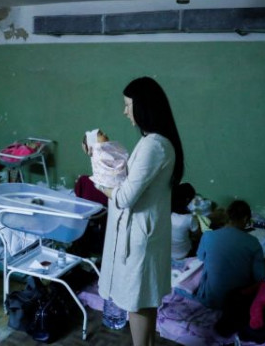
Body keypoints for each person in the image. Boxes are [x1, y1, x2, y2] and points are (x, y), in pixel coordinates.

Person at [97, 76, 184, 346]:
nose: (125, 112)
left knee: (136, 301)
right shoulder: (155, 142)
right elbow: (130, 177)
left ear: (144, 107)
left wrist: (99, 183)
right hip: (145, 232)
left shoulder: (154, 145)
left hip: (139, 237)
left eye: (128, 105)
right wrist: (100, 152)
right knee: (145, 300)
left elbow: (124, 196)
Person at [194, 200, 265, 310]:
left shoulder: (208, 236)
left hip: (210, 300)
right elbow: (260, 277)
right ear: (245, 219)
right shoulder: (253, 242)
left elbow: (200, 258)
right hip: (237, 303)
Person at [171, 182, 199, 260]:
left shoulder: (166, 212)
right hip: (183, 253)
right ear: (187, 200)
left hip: (166, 250)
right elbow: (197, 235)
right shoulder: (189, 218)